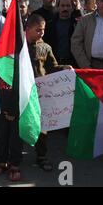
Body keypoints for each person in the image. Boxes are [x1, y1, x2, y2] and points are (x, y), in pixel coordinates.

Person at [26, 14, 73, 171]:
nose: (41, 33)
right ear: (27, 29)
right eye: (38, 30)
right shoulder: (17, 46)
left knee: (42, 127)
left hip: (41, 93)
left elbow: (52, 67)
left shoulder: (46, 47)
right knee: (19, 125)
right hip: (22, 92)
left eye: (43, 30)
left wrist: (64, 68)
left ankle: (41, 156)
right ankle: (14, 157)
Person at [44, 0, 77, 66]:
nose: (65, 8)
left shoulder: (77, 25)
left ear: (72, 8)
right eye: (62, 6)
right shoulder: (49, 25)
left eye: (68, 6)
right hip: (54, 63)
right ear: (57, 7)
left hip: (72, 63)